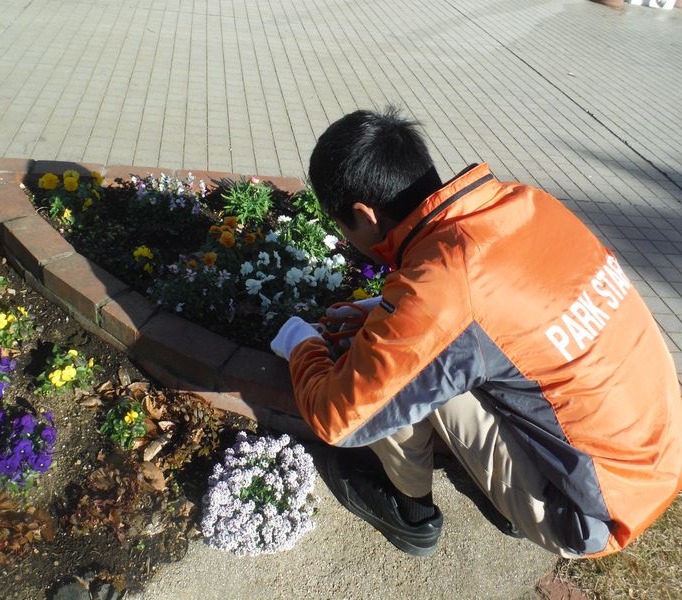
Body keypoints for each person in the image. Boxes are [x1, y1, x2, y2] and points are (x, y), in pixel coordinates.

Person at [270, 107, 682, 558]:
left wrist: (301, 343)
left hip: (593, 516)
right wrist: (377, 308)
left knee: (397, 375)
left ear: (364, 216)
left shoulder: (442, 289)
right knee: (452, 350)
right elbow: (520, 303)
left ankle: (409, 512)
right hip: (658, 449)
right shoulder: (524, 204)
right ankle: (515, 488)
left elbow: (339, 418)